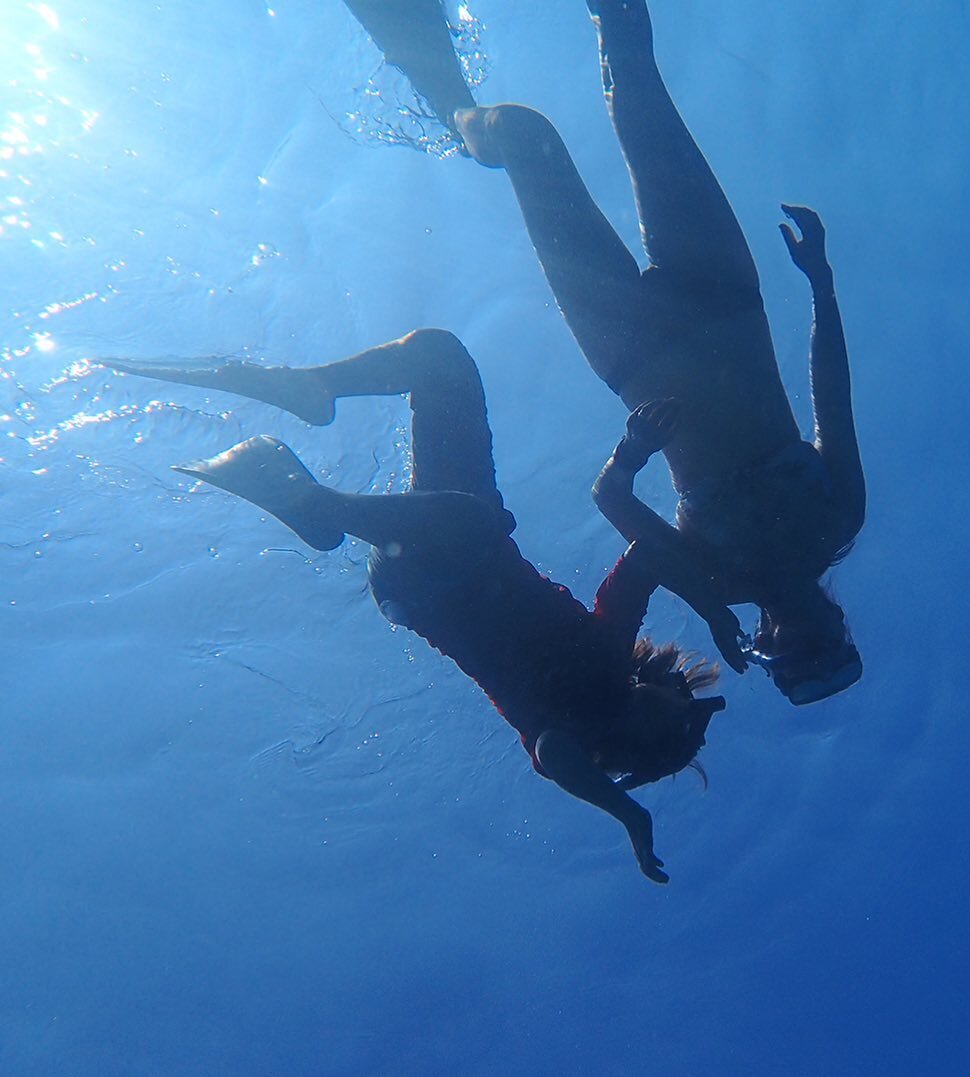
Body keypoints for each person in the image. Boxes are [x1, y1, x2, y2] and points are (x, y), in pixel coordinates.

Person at [341, 0, 867, 705]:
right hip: (725, 297)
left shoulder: (711, 579)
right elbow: (832, 396)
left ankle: (452, 105)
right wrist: (822, 286)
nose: (792, 636)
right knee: (638, 80)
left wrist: (632, 449)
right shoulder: (839, 517)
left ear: (767, 644)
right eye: (818, 643)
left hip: (631, 348)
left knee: (524, 135)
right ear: (835, 626)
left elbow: (609, 496)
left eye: (786, 655)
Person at [109, 330, 726, 883]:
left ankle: (324, 509)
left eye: (686, 721)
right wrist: (718, 613)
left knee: (475, 520)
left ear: (644, 743)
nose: (690, 703)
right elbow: (646, 559)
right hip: (453, 524)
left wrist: (627, 812)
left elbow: (555, 757)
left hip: (428, 578)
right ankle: (312, 396)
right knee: (440, 360)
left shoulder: (566, 732)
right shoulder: (611, 646)